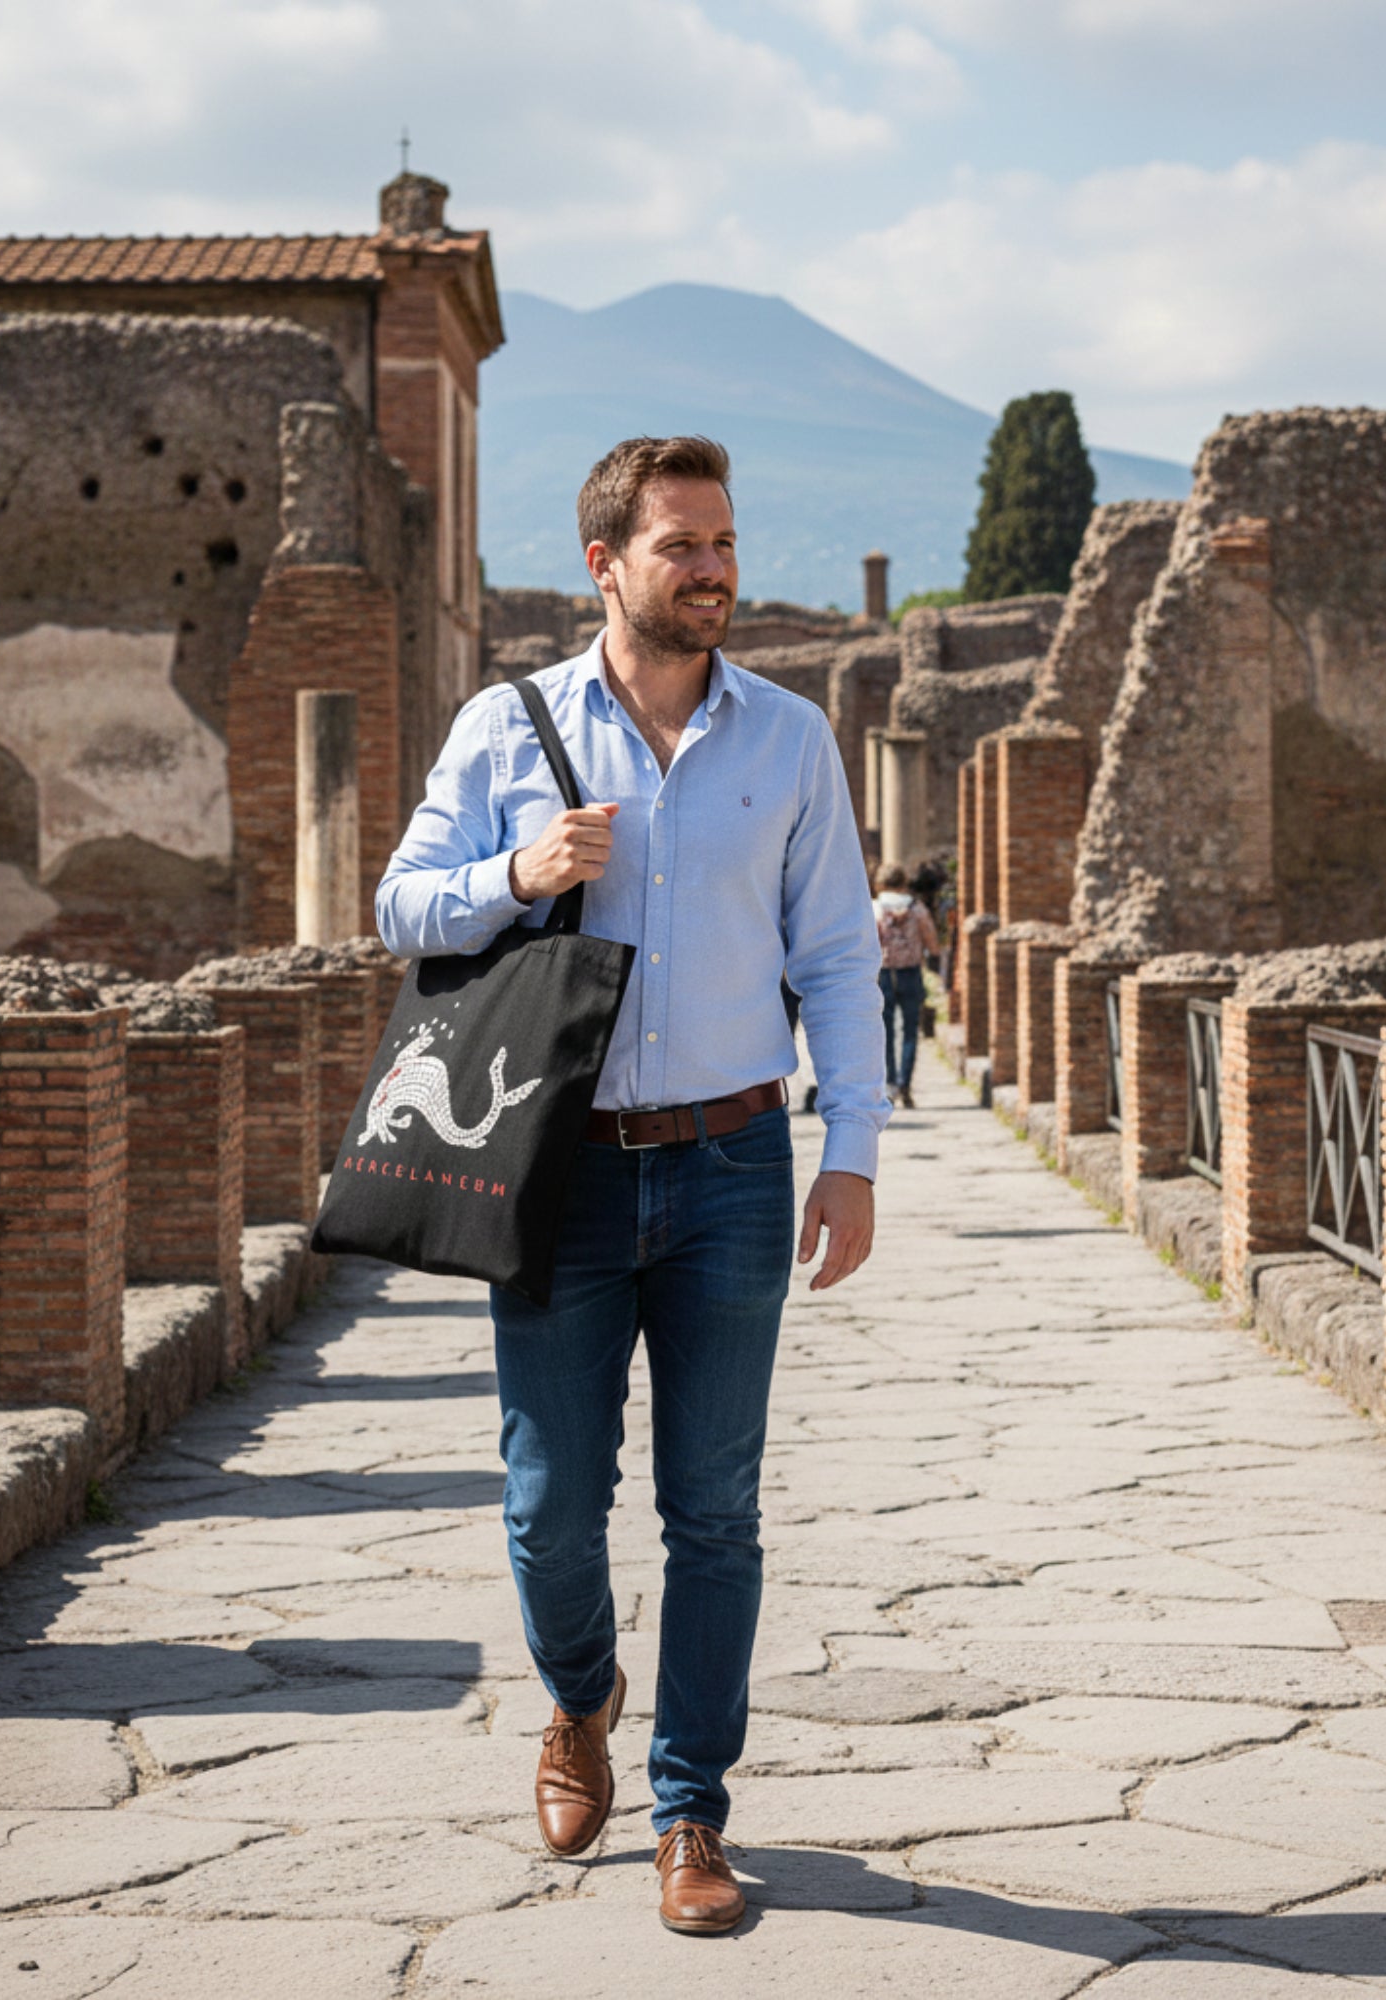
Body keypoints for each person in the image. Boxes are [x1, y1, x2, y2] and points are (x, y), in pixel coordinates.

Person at [377, 434, 888, 1935]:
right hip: (560, 1175)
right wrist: (518, 875)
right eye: (683, 545)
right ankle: (581, 1693)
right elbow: (402, 902)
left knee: (716, 1511)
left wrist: (849, 1148)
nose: (716, 567)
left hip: (733, 1161)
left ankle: (691, 1810)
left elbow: (841, 957)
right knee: (548, 1506)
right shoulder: (505, 725)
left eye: (725, 540)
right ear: (608, 562)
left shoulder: (789, 738)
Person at [874, 861, 939, 1107]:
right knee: (911, 1030)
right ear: (903, 883)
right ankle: (906, 1083)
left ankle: (890, 1083)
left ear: (880, 883)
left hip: (883, 975)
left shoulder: (876, 909)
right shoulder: (917, 909)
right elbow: (932, 943)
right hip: (911, 973)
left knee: (886, 1031)